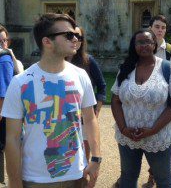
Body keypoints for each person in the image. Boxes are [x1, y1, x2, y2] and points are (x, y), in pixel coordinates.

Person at [1, 13, 101, 188]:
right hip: (35, 179)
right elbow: (13, 139)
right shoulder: (21, 83)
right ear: (47, 42)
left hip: (77, 175)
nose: (76, 39)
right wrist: (15, 182)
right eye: (69, 35)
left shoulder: (80, 75)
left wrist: (96, 159)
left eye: (76, 35)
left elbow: (90, 119)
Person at [111, 29, 171, 188]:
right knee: (127, 179)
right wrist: (123, 129)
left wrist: (152, 130)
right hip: (127, 136)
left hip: (157, 137)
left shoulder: (167, 68)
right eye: (139, 42)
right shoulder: (126, 68)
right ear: (134, 45)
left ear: (154, 44)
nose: (144, 45)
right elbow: (115, 100)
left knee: (164, 180)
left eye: (148, 42)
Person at [66, 26, 106, 161]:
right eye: (71, 36)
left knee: (84, 152)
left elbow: (102, 86)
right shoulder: (59, 62)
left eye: (79, 37)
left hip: (84, 113)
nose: (75, 40)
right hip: (65, 113)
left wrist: (97, 110)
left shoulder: (88, 61)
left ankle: (83, 176)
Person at [0, 24, 14, 186]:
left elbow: (3, 92)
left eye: (5, 40)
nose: (4, 44)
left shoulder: (4, 58)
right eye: (0, 41)